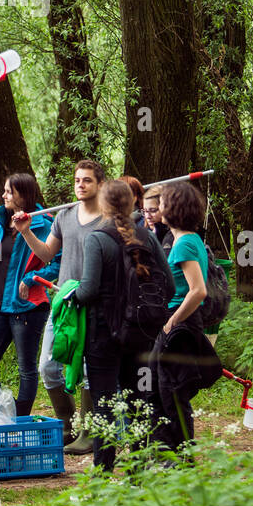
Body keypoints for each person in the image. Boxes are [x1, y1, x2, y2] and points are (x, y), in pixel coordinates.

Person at [74, 180, 174, 472]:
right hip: (141, 334)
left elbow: (88, 289)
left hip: (102, 335)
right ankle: (138, 470)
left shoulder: (97, 238)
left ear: (104, 205)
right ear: (132, 203)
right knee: (139, 400)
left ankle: (103, 472)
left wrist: (71, 293)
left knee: (104, 402)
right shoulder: (148, 236)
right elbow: (167, 284)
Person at [12, 158, 105, 452]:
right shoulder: (64, 216)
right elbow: (48, 253)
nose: (80, 185)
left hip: (94, 303)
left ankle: (89, 434)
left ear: (99, 184)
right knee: (48, 367)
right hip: (63, 303)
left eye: (87, 180)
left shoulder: (109, 219)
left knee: (90, 369)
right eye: (77, 180)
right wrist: (26, 231)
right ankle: (67, 425)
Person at [150, 180, 220, 455]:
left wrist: (172, 321)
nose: (159, 207)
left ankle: (183, 460)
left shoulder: (185, 244)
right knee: (159, 390)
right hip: (175, 323)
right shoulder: (184, 240)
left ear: (175, 207)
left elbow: (198, 290)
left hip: (181, 326)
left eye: (164, 203)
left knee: (173, 394)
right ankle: (166, 454)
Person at [0, 172, 54, 418]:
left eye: (9, 191)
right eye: (5, 191)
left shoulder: (43, 224)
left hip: (27, 307)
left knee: (26, 370)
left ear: (24, 194)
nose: (4, 195)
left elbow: (57, 262)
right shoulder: (1, 220)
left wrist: (32, 278)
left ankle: (19, 423)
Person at [143, 184, 174, 253]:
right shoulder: (145, 233)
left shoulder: (173, 235)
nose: (148, 216)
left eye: (153, 210)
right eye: (145, 211)